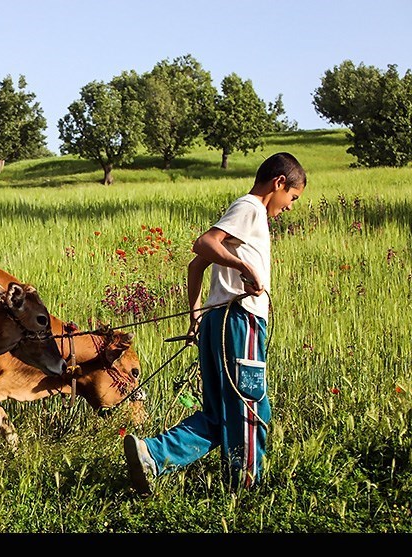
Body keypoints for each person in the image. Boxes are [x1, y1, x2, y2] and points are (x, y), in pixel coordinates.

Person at [124, 152, 306, 494]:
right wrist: (246, 269)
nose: (290, 206)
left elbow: (196, 266)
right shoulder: (251, 208)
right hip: (240, 321)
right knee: (251, 408)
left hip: (216, 323)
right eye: (292, 197)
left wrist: (196, 315)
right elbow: (203, 244)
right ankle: (247, 490)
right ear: (279, 183)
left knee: (220, 412)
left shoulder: (248, 215)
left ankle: (153, 454)